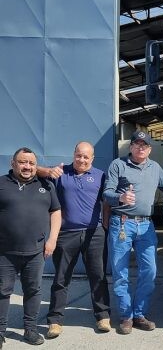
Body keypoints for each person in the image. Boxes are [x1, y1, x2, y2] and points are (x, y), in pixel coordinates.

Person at [36, 142, 111, 338]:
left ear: (92, 158)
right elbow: (34, 170)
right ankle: (55, 320)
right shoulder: (61, 173)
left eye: (86, 157)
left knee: (98, 275)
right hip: (66, 234)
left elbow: (107, 202)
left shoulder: (100, 175)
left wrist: (105, 225)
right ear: (73, 155)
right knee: (61, 278)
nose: (82, 160)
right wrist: (48, 170)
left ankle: (102, 315)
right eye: (79, 155)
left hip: (94, 233)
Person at [103, 130, 163, 335]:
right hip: (122, 224)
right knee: (120, 272)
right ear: (130, 146)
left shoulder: (155, 167)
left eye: (145, 145)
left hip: (146, 226)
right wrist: (120, 198)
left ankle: (140, 313)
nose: (141, 148)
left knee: (149, 271)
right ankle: (126, 316)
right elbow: (107, 192)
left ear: (149, 149)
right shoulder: (118, 165)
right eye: (137, 144)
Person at [0, 147, 61, 346]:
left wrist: (52, 239)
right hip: (4, 252)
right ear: (13, 163)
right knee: (2, 291)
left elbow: (56, 212)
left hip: (36, 251)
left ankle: (30, 330)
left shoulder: (46, 184)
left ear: (37, 166)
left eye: (31, 163)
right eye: (23, 162)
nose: (27, 166)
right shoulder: (1, 183)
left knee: (33, 291)